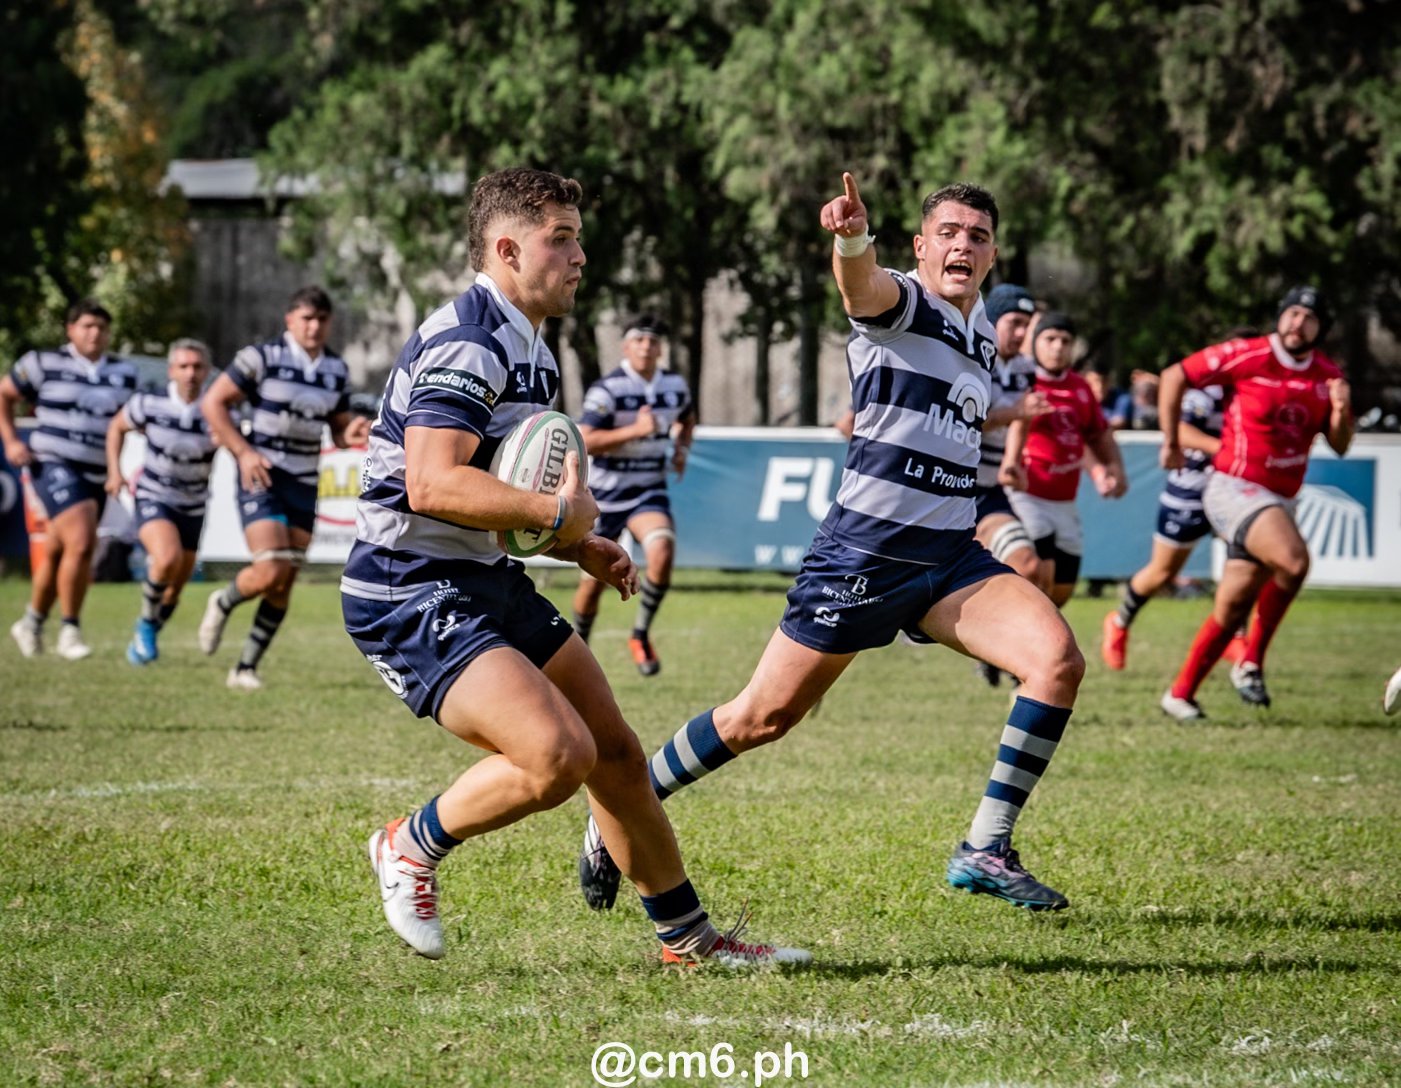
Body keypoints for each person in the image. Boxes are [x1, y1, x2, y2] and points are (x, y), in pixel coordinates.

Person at [579, 172, 1085, 916]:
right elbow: (860, 289)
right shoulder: (904, 299)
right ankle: (618, 805)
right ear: (920, 245)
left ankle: (985, 846)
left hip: (949, 555)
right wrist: (851, 238)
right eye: (947, 232)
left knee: (1056, 662)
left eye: (976, 236)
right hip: (866, 555)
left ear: (992, 254)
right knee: (762, 718)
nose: (961, 246)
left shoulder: (982, 336)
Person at [341, 167, 806, 967]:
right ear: (507, 246)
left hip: (479, 575)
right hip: (404, 582)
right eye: (561, 238)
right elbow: (432, 482)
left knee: (617, 754)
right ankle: (408, 844)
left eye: (577, 237)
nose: (579, 256)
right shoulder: (469, 340)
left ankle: (689, 941)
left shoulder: (534, 354)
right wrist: (556, 516)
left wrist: (573, 545)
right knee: (558, 756)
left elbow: (501, 502)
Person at [1157, 286, 1351, 720]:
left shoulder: (1327, 375)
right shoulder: (1249, 354)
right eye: (1293, 312)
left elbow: (1339, 445)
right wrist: (1171, 440)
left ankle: (1180, 693)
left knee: (1232, 608)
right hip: (1234, 487)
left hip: (1280, 499)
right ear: (1280, 316)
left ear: (1321, 329)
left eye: (1310, 317)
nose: (1299, 322)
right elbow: (1173, 376)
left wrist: (1341, 412)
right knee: (1295, 562)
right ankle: (1251, 662)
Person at [198, 286, 371, 690]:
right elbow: (213, 402)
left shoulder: (335, 369)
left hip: (305, 481)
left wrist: (354, 429)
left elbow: (339, 430)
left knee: (284, 579)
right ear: (289, 319)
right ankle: (222, 601)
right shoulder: (260, 357)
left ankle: (245, 668)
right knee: (271, 567)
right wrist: (243, 452)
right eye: (306, 318)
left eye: (321, 319)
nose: (314, 326)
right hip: (262, 475)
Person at [1102, 332, 1260, 671]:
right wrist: (1230, 453)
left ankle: (1236, 636)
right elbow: (1181, 431)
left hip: (1235, 492)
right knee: (1162, 572)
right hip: (1191, 490)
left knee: (1246, 565)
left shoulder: (1259, 391)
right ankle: (1119, 622)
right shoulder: (1205, 391)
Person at [2, 299, 136, 660]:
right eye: (87, 326)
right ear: (70, 329)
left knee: (61, 549)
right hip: (53, 463)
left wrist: (115, 468)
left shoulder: (124, 373)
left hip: (96, 470)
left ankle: (31, 621)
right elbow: (5, 394)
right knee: (81, 541)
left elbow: (123, 424)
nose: (95, 334)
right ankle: (70, 629)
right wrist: (12, 440)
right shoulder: (42, 362)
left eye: (102, 328)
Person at [569, 313, 695, 676]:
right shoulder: (607, 390)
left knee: (663, 549)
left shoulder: (674, 385)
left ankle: (639, 634)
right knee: (592, 584)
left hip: (647, 489)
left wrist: (682, 449)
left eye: (653, 341)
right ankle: (579, 652)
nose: (647, 346)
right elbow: (585, 440)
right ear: (625, 346)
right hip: (605, 497)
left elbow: (686, 418)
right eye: (639, 339)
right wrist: (635, 430)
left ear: (661, 348)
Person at [1002, 313, 1128, 609]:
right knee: (1037, 578)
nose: (1058, 347)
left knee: (1062, 591)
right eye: (1050, 339)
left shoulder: (1080, 387)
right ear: (1036, 343)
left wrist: (1112, 469)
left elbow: (1098, 434)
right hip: (1028, 496)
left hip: (1066, 502)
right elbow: (1012, 426)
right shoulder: (1024, 382)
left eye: (1065, 341)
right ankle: (1003, 655)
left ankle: (1018, 651)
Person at [104, 339, 217, 666]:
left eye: (197, 367)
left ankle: (149, 628)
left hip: (194, 502)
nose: (190, 373)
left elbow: (237, 442)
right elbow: (117, 427)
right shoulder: (149, 401)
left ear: (207, 371)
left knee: (176, 585)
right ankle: (144, 626)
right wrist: (115, 470)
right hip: (155, 495)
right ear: (171, 371)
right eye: (183, 366)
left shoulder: (217, 408)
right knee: (165, 558)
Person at [970, 283, 1051, 685]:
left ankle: (1013, 659)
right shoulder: (973, 356)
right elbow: (968, 418)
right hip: (955, 489)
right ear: (992, 320)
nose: (1022, 334)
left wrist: (1012, 460)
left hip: (990, 490)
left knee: (1030, 568)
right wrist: (1016, 411)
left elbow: (1024, 415)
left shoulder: (1021, 367)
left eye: (1027, 325)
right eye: (1014, 324)